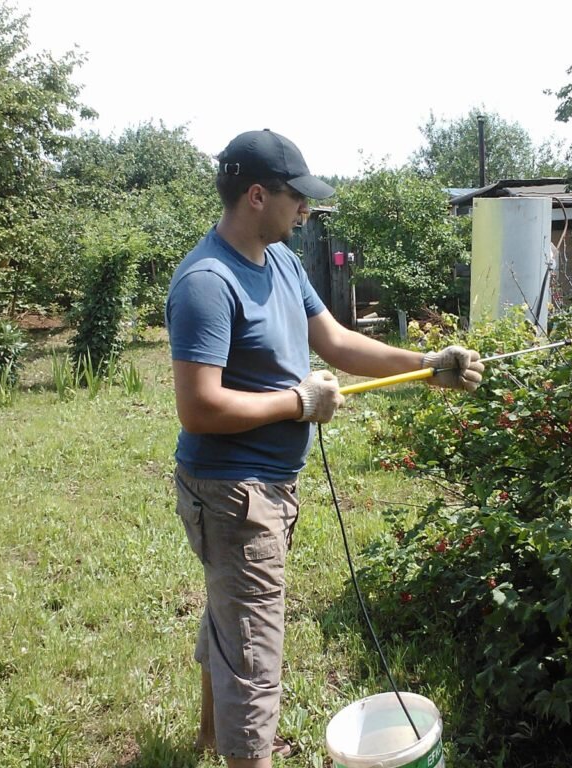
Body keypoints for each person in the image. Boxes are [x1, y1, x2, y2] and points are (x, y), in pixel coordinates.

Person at [166, 128, 484, 768]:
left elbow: (337, 343)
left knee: (235, 618)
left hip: (267, 484)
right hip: (234, 492)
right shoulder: (206, 282)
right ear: (258, 195)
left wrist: (426, 362)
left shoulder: (281, 260)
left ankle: (205, 738)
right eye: (297, 197)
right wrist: (298, 403)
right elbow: (198, 408)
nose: (305, 209)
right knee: (255, 655)